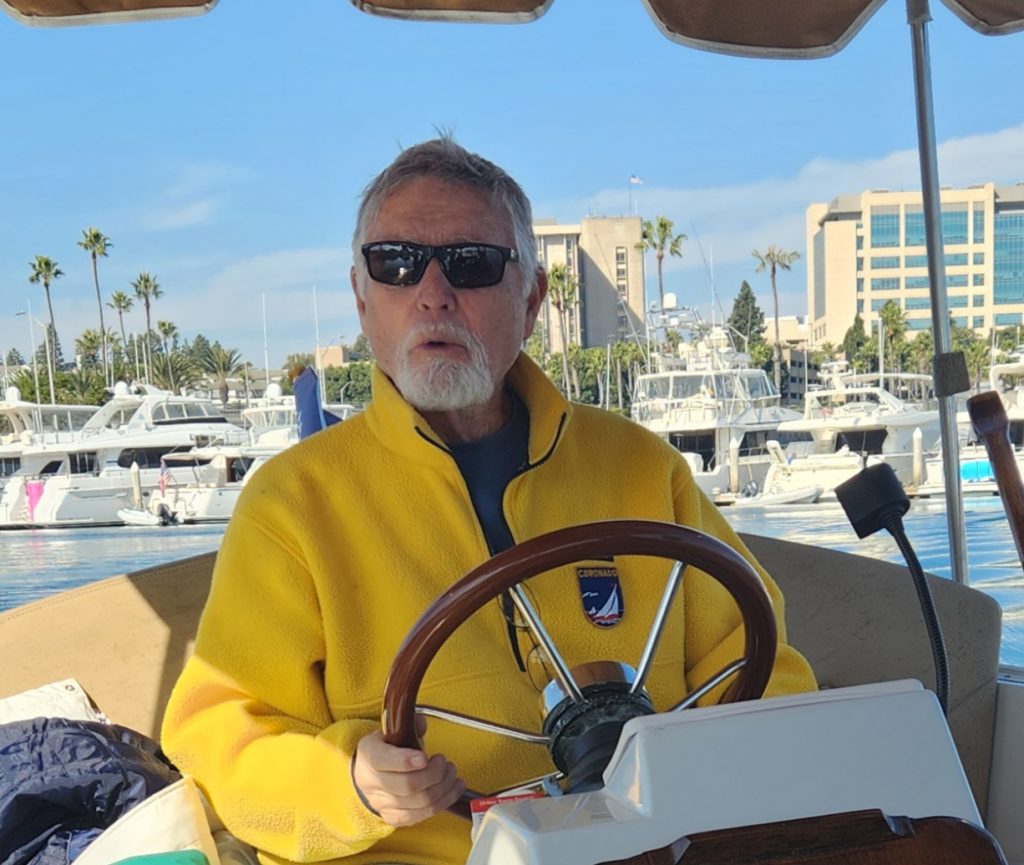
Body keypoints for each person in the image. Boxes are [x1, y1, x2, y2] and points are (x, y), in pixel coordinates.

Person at [161, 136, 817, 865]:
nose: (433, 293)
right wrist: (350, 780)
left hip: (656, 845)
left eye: (472, 264)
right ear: (361, 298)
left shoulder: (642, 468)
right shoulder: (292, 506)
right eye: (397, 263)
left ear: (531, 298)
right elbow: (220, 734)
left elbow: (764, 672)